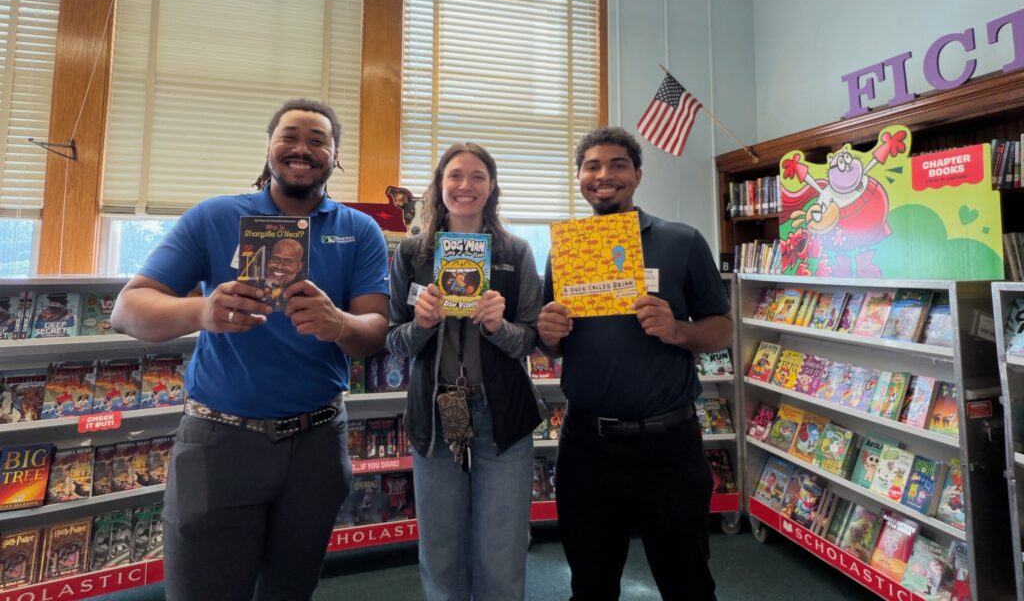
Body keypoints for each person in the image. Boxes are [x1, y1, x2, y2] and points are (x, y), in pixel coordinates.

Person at [111, 98, 390, 601]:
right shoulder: (215, 216)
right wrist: (201, 312)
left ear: (335, 155)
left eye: (318, 140)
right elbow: (127, 309)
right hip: (218, 441)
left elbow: (374, 332)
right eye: (289, 136)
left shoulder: (359, 230)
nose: (302, 149)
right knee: (202, 589)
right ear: (268, 147)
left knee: (291, 588)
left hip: (318, 444)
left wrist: (339, 323)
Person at [537, 126, 732, 601]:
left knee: (687, 583)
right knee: (591, 584)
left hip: (668, 445)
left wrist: (678, 330)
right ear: (580, 178)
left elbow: (722, 328)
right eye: (592, 166)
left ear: (638, 175)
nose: (604, 175)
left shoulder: (681, 241)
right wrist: (548, 336)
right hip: (587, 444)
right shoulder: (566, 251)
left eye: (618, 165)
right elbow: (555, 347)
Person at [387, 142, 543, 601]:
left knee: (502, 551)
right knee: (441, 550)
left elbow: (529, 339)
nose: (465, 185)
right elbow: (394, 342)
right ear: (439, 185)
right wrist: (420, 326)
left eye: (478, 176)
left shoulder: (515, 251)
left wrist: (498, 327)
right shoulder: (413, 253)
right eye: (455, 175)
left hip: (502, 417)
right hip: (437, 415)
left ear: (492, 187)